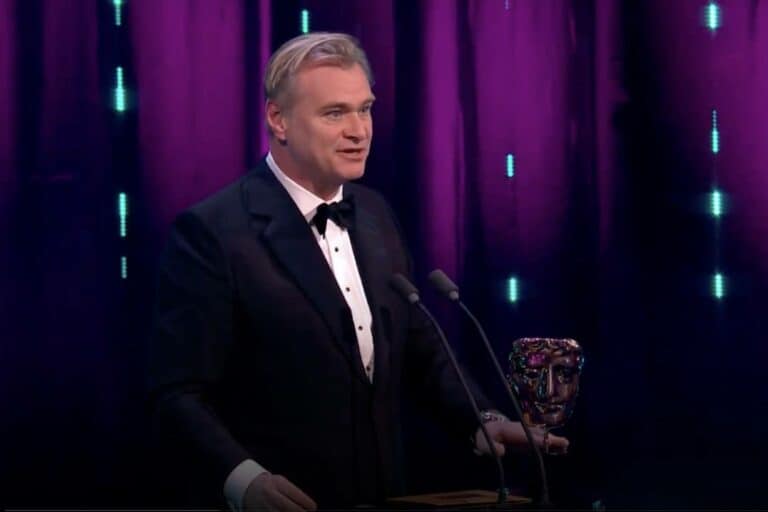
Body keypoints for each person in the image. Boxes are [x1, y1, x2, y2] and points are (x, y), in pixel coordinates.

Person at [148, 32, 567, 512]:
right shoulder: (214, 232)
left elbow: (420, 351)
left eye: (364, 109)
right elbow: (178, 394)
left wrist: (483, 419)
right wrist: (244, 481)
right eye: (335, 113)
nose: (359, 131)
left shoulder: (374, 214)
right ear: (278, 120)